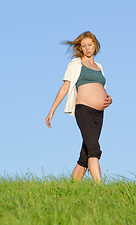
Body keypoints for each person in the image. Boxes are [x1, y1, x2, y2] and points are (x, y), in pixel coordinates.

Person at [45, 31, 112, 184]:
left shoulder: (99, 67)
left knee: (85, 154)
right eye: (83, 46)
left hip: (99, 113)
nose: (87, 48)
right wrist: (52, 111)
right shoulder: (76, 64)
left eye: (90, 45)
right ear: (80, 48)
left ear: (95, 45)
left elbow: (101, 88)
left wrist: (109, 99)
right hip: (84, 110)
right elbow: (65, 87)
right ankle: (100, 187)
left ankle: (72, 187)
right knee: (94, 149)